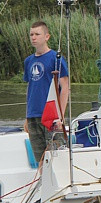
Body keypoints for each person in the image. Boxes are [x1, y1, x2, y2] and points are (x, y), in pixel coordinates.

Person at [23, 21, 69, 161]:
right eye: (31, 34)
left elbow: (65, 88)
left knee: (55, 157)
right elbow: (30, 88)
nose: (33, 37)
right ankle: (42, 175)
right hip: (33, 115)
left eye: (37, 34)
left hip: (51, 116)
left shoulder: (56, 59)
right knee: (40, 159)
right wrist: (27, 116)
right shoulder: (28, 61)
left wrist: (60, 116)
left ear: (46, 37)